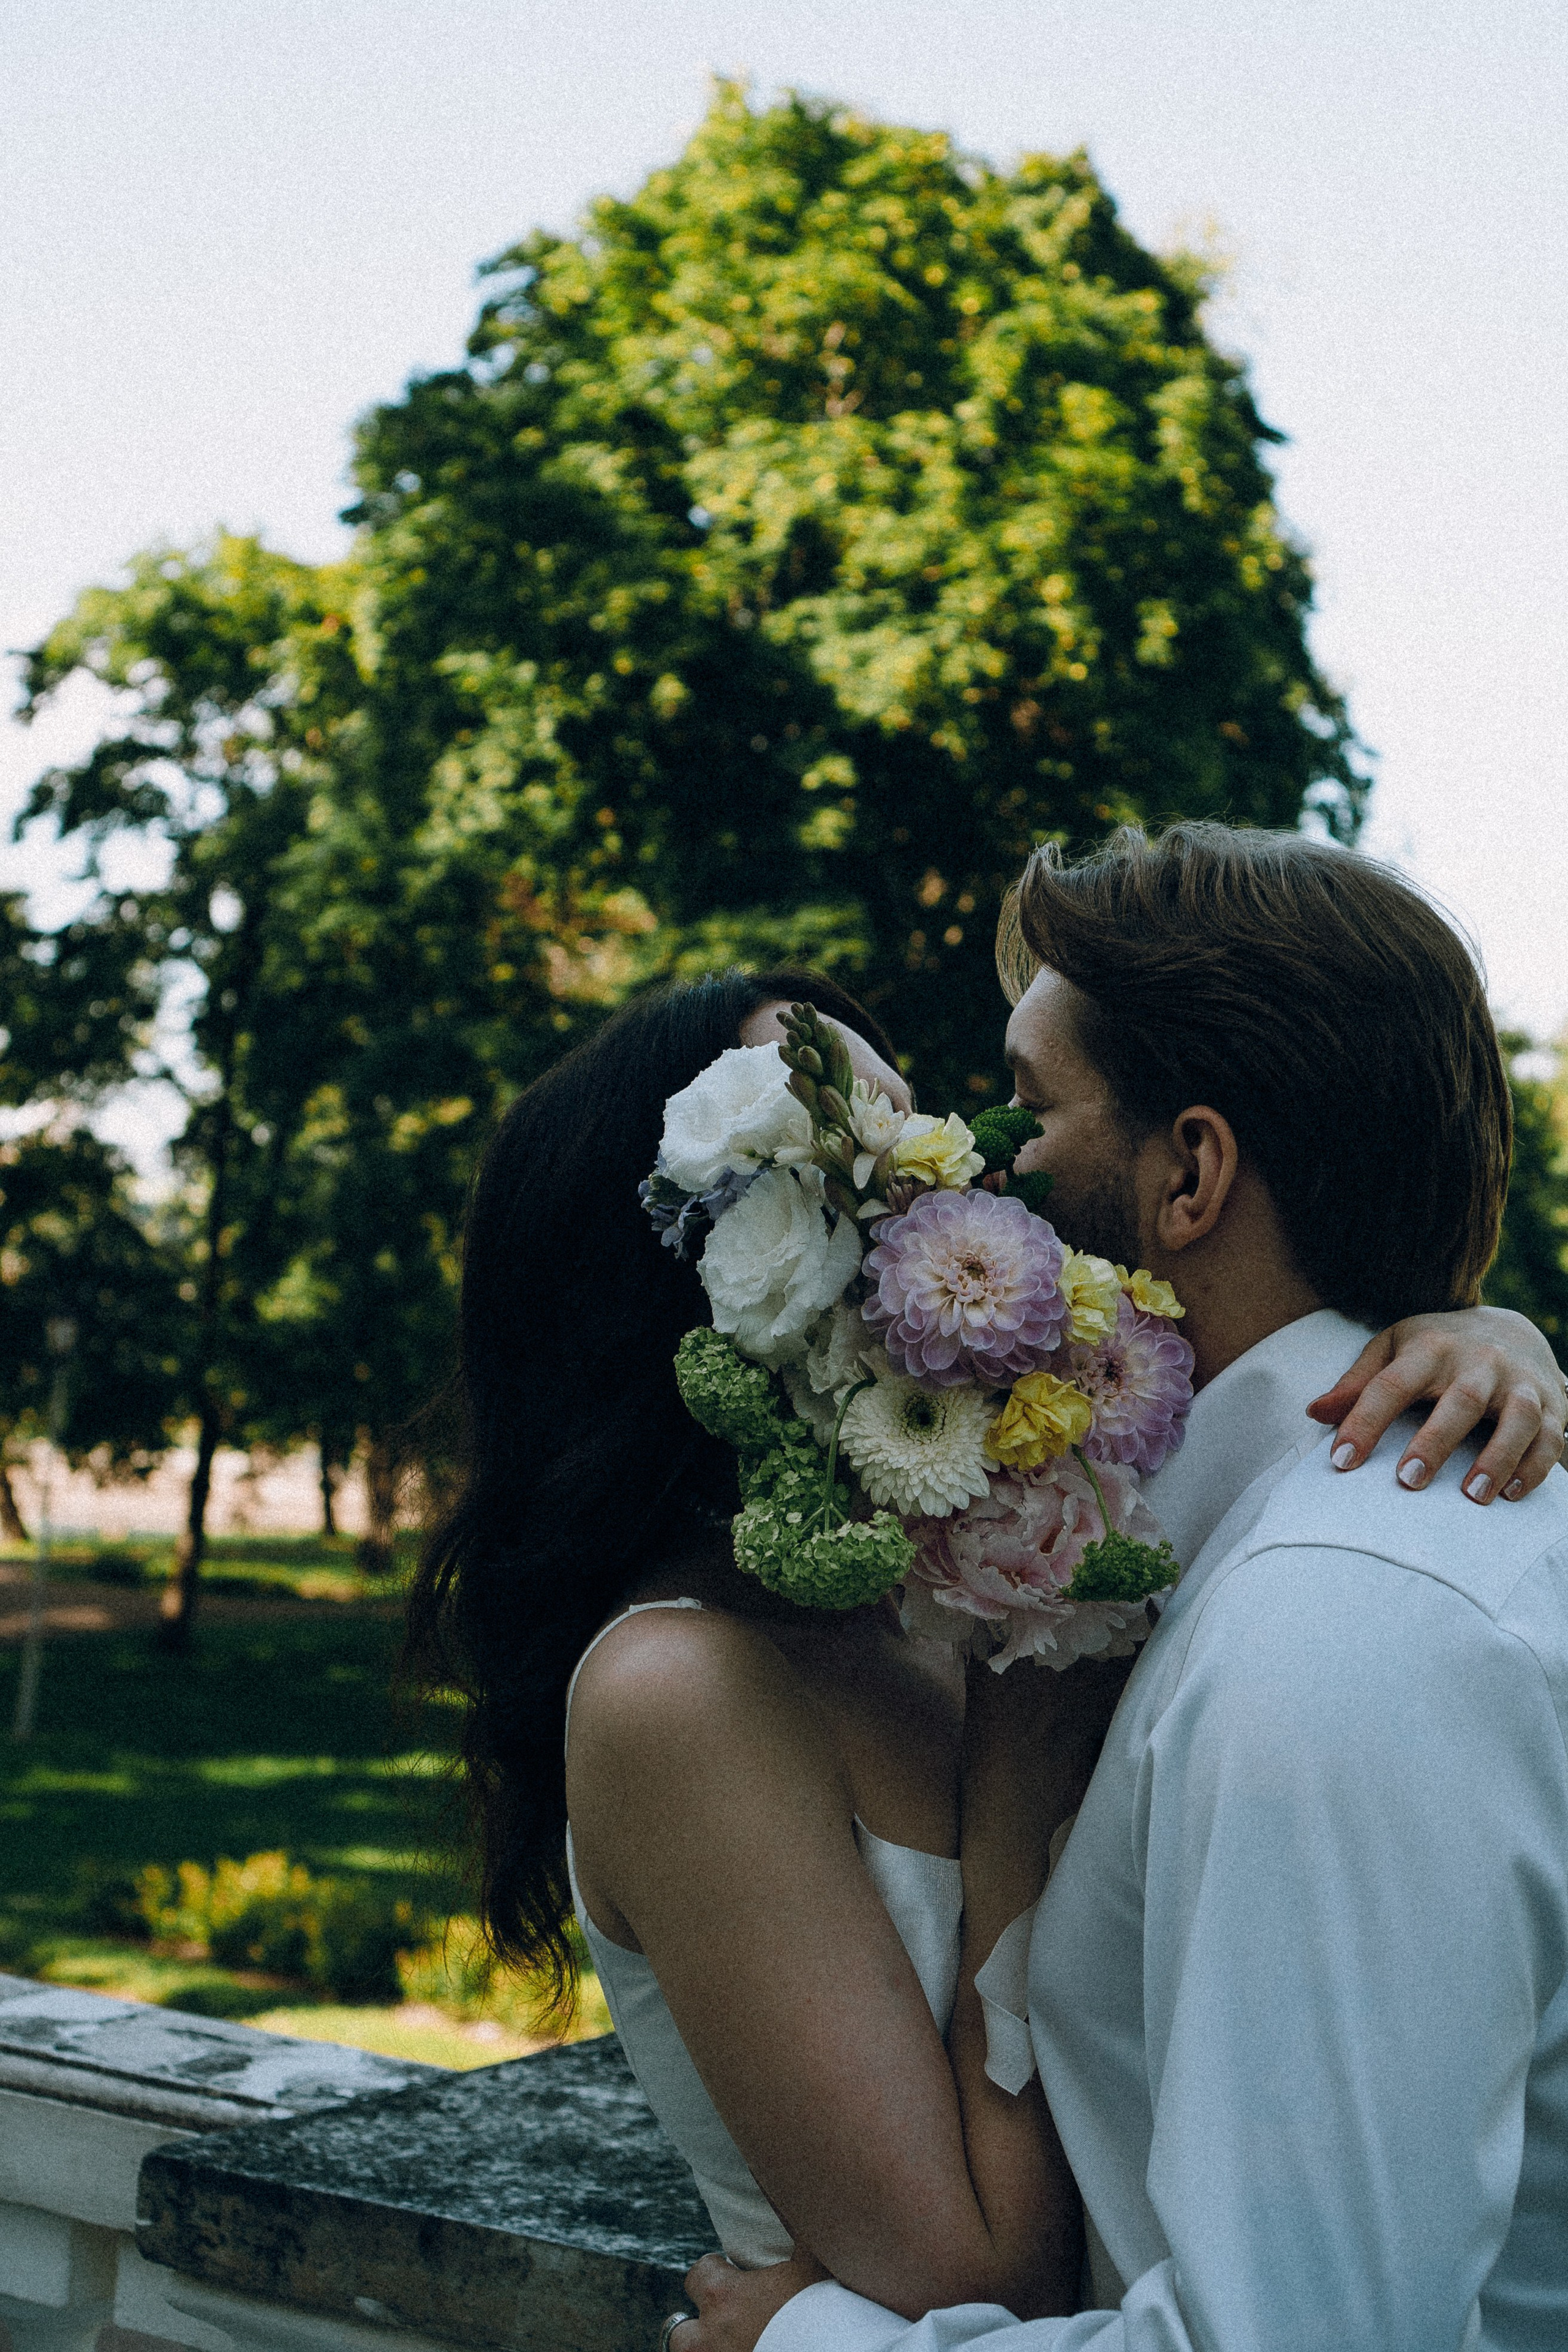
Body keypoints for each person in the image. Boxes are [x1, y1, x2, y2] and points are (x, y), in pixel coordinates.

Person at [404, 954, 1565, 2329]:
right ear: (699, 1262)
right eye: (858, 1162)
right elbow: (980, 2275)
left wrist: (1479, 1335)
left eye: (921, 1139)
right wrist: (1019, 1759)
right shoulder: (680, 1688)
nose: (952, 1196)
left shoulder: (947, 1576)